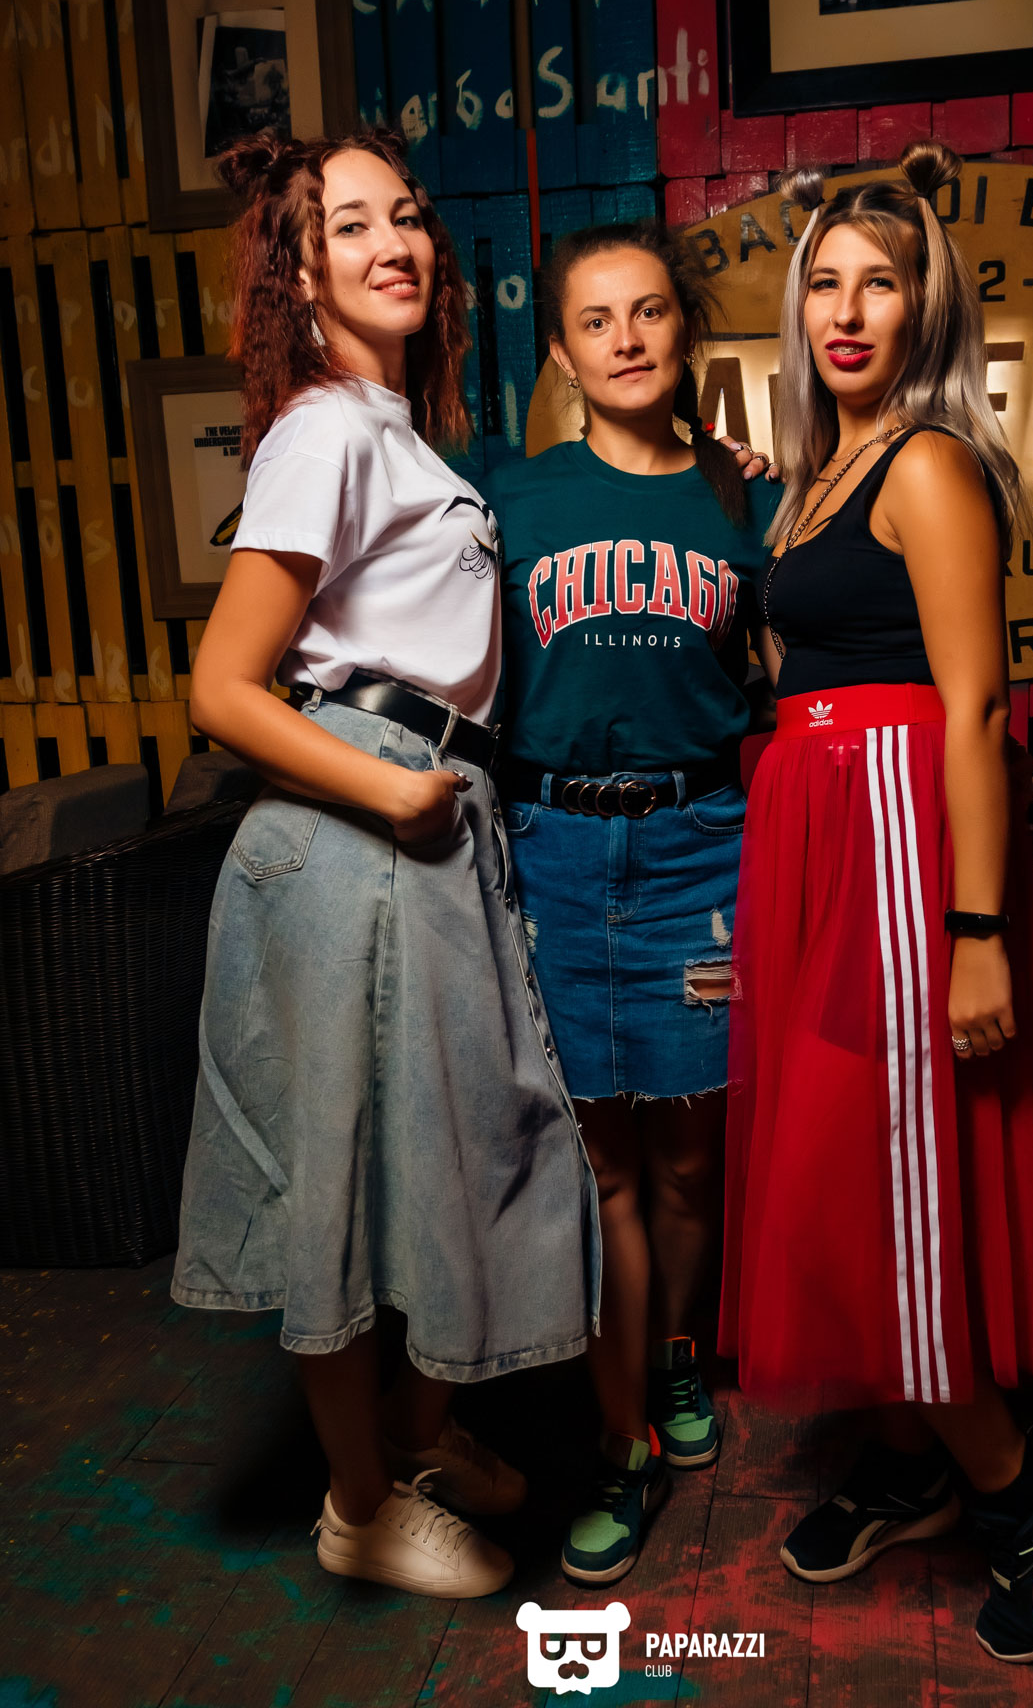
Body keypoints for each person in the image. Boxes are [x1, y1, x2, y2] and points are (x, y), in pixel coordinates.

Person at [170, 126, 599, 1602]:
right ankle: (358, 1503)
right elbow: (224, 690)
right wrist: (395, 791)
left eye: (404, 216)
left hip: (425, 819)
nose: (392, 242)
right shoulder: (324, 432)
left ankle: (415, 1440)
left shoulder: (396, 431)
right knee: (345, 1186)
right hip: (361, 823)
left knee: (464, 1152)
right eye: (348, 225)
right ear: (301, 274)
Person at [719, 143, 1033, 1663]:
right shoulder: (814, 478)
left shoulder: (929, 464)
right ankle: (912, 1458)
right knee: (825, 1180)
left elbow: (975, 707)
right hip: (816, 832)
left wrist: (977, 933)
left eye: (879, 284)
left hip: (894, 835)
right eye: (824, 283)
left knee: (877, 1173)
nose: (846, 310)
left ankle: (1027, 1486)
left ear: (924, 307)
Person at [485, 222, 781, 1586]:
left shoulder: (742, 500)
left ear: (685, 331)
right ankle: (624, 1446)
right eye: (595, 320)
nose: (625, 338)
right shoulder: (510, 498)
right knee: (600, 1165)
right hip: (554, 848)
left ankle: (672, 1361)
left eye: (650, 311)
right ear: (560, 351)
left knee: (690, 1159)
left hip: (699, 849)